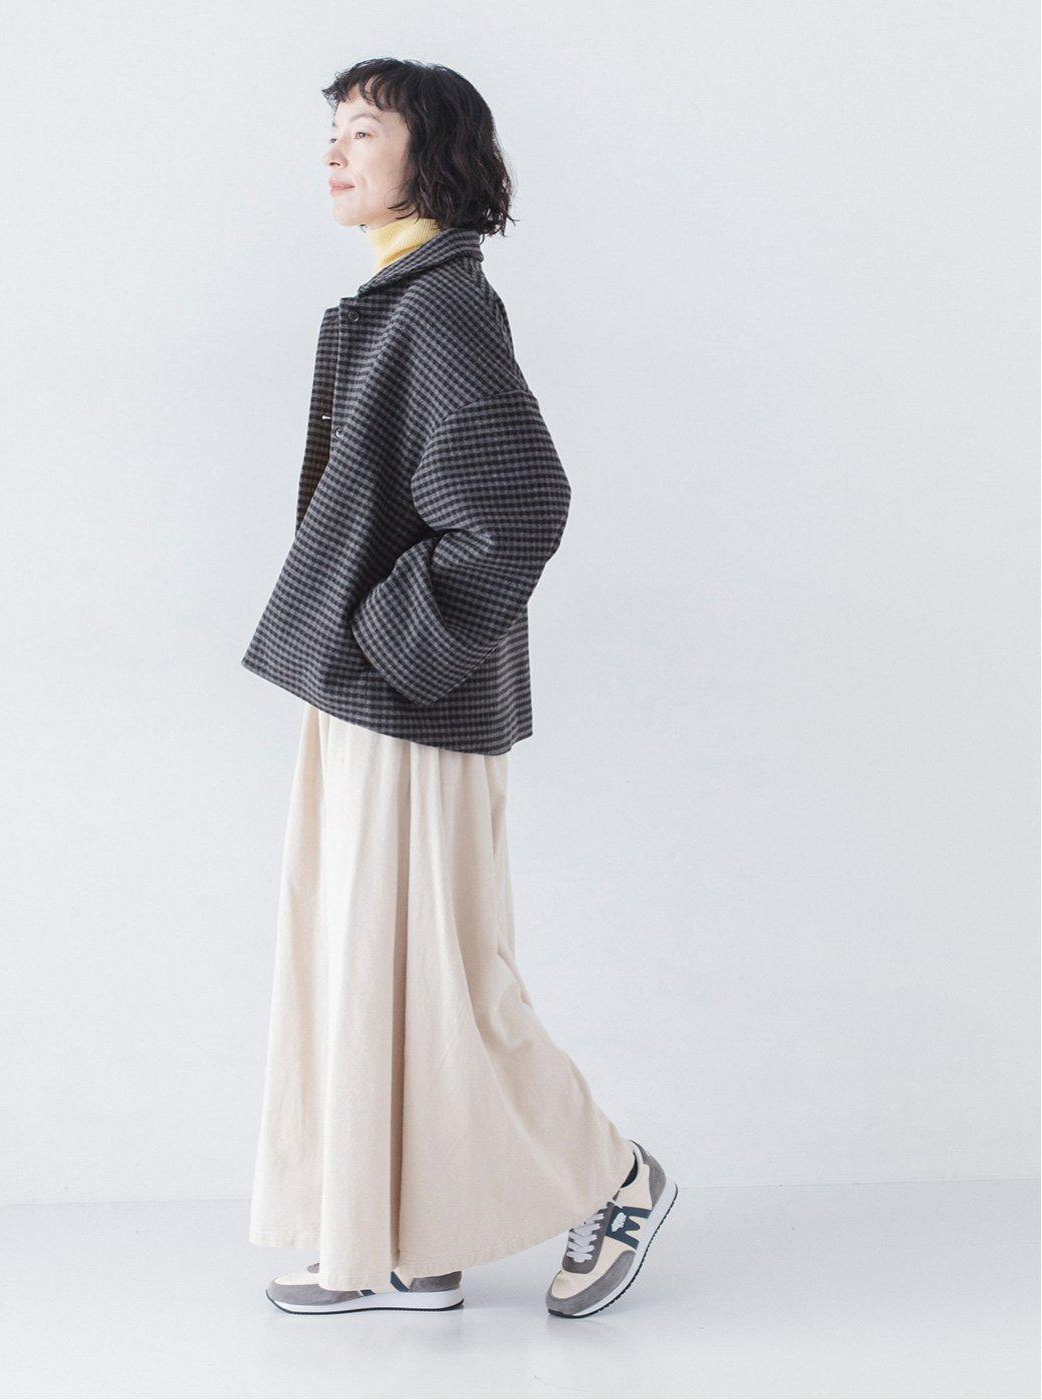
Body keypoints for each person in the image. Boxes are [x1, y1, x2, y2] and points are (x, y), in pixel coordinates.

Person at [240, 58, 677, 1319]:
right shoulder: (401, 301)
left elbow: (520, 504)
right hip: (376, 692)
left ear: (429, 155)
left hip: (410, 700)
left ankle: (619, 1175)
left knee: (446, 988)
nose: (334, 151)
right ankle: (407, 1243)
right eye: (333, 131)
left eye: (363, 130)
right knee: (375, 979)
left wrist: (390, 637)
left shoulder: (438, 309)